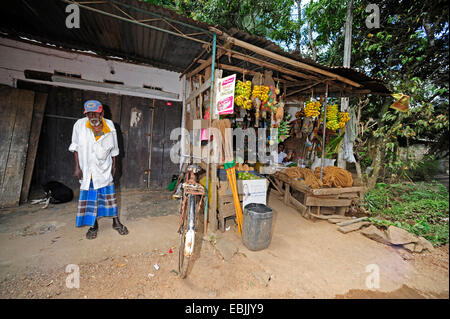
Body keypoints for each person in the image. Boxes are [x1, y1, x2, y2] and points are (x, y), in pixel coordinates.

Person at [69, 100, 128, 239]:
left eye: (95, 113)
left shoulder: (109, 125)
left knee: (109, 197)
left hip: (104, 168)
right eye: (89, 114)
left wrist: (114, 166)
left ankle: (115, 222)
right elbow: (75, 147)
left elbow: (114, 148)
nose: (92, 116)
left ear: (102, 112)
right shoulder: (79, 125)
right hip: (87, 168)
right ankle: (93, 226)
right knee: (91, 197)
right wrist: (77, 167)